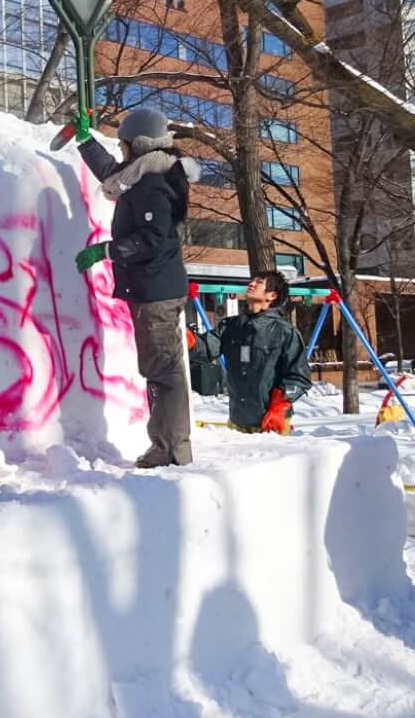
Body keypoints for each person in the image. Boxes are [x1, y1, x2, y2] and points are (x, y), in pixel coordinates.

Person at [74, 107, 200, 468]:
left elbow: (154, 239)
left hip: (156, 292)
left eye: (123, 145)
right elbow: (114, 175)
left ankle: (170, 449)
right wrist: (86, 141)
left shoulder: (152, 183)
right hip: (155, 287)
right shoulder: (146, 171)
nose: (120, 151)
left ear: (138, 145)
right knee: (163, 370)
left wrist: (108, 250)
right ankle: (171, 446)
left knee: (163, 371)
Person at [188, 271, 312, 433]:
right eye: (251, 280)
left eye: (259, 282)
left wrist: (279, 406)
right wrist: (187, 339)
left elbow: (299, 377)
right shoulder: (231, 327)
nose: (251, 284)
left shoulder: (285, 332)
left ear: (272, 295)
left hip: (272, 424)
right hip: (237, 422)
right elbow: (204, 348)